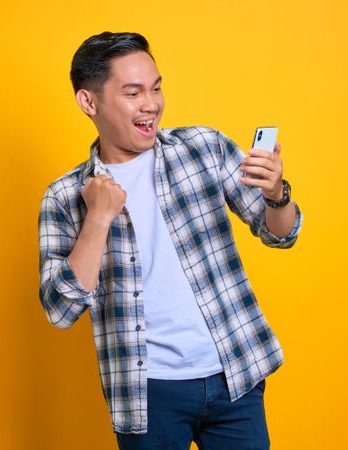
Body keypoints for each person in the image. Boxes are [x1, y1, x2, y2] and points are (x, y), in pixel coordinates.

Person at [38, 31, 303, 450]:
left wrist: (277, 194)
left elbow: (280, 232)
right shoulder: (65, 196)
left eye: (156, 88)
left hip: (233, 372)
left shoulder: (204, 149)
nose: (152, 104)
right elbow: (61, 309)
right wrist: (98, 219)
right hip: (147, 393)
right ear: (89, 102)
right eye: (133, 92)